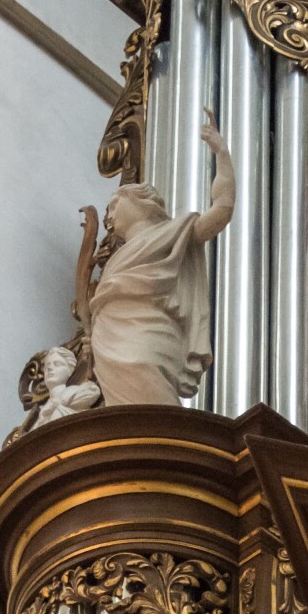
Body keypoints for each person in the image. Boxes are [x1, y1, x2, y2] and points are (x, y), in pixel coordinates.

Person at [88, 113, 234, 406]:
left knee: (152, 397)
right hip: (109, 339)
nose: (110, 216)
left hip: (149, 334)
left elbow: (221, 210)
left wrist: (222, 154)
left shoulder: (175, 230)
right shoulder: (117, 258)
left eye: (116, 204)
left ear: (140, 201)